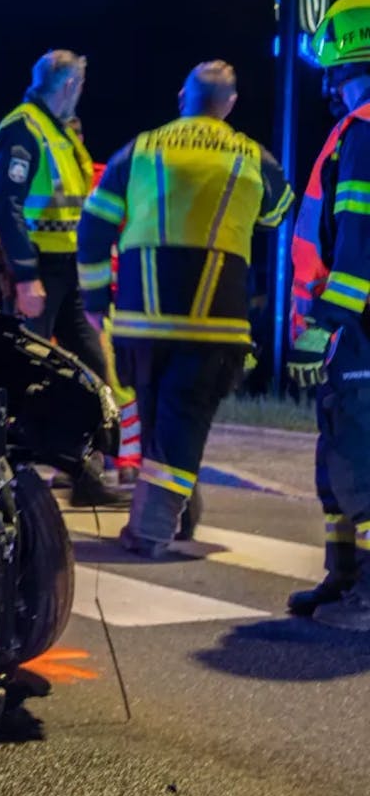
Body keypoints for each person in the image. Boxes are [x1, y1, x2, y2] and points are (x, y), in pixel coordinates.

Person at [76, 61, 293, 559]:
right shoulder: (252, 156)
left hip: (139, 321)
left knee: (160, 420)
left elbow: (93, 228)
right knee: (185, 421)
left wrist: (94, 300)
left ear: (182, 97)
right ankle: (153, 529)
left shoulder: (141, 149)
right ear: (230, 104)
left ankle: (179, 515)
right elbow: (278, 214)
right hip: (214, 323)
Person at [0, 49, 117, 505]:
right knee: (23, 376)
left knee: (92, 370)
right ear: (70, 86)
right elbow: (6, 206)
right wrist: (26, 276)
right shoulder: (24, 129)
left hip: (64, 269)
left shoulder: (58, 132)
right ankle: (8, 478)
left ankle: (85, 471)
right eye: (80, 87)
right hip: (31, 268)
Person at [285, 0, 370, 628]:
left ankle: (360, 580)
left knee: (358, 453)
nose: (332, 88)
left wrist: (327, 324)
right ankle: (344, 574)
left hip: (358, 326)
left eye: (336, 74)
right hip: (353, 324)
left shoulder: (364, 132)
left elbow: (357, 240)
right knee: (339, 452)